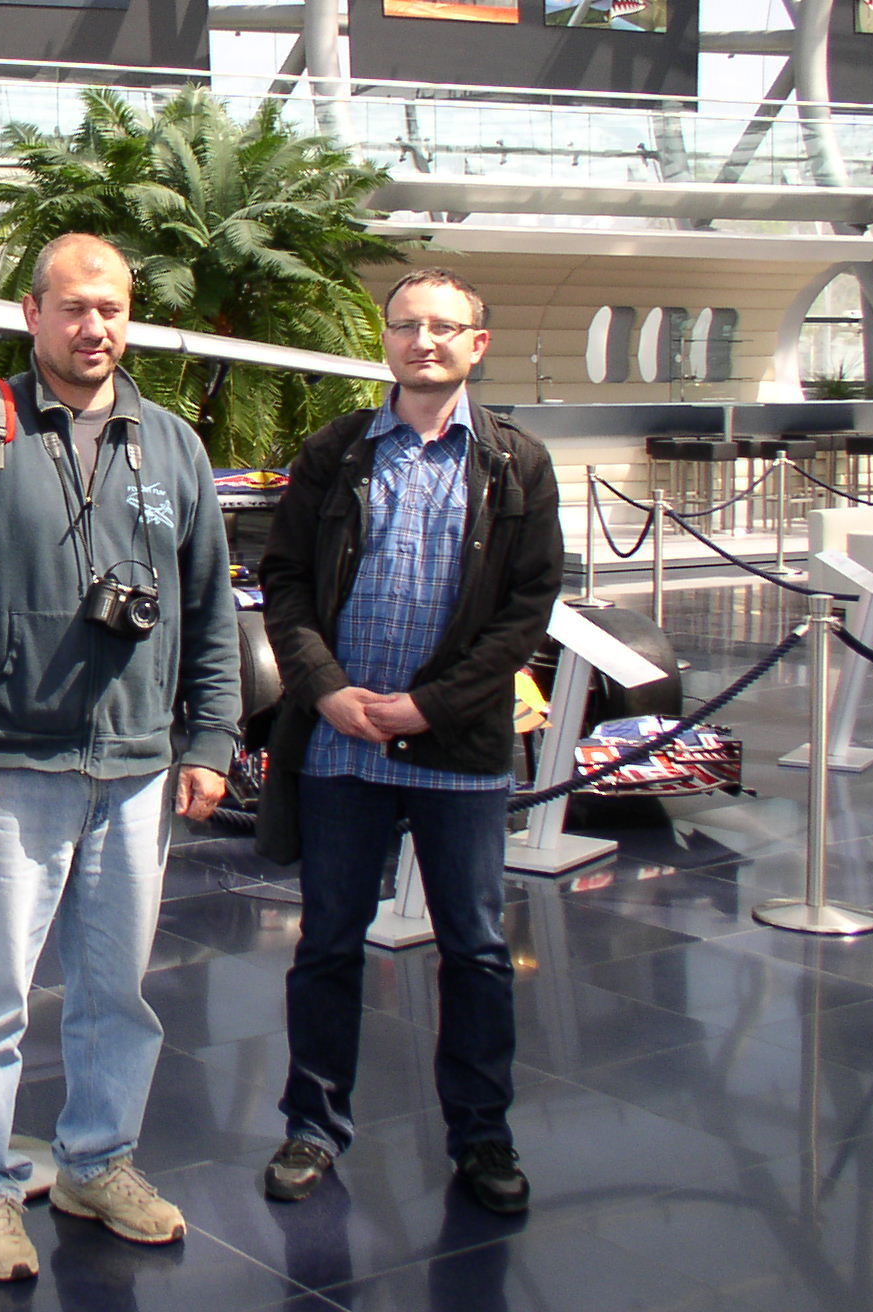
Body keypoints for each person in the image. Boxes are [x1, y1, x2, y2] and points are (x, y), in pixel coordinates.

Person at [0, 233, 240, 1282]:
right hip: (6, 768)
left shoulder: (170, 445)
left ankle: (96, 1162)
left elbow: (209, 603)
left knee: (116, 993)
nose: (94, 327)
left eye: (111, 308)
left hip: (133, 768)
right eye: (74, 307)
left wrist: (211, 735)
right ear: (31, 313)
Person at [255, 267, 562, 1217]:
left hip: (456, 750)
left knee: (475, 949)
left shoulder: (517, 462)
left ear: (477, 343)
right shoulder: (335, 452)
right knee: (327, 943)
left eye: (444, 327)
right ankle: (312, 1126)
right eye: (405, 326)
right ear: (385, 339)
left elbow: (526, 610)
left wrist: (431, 706)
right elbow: (285, 581)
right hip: (341, 747)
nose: (423, 341)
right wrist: (327, 689)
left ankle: (482, 1136)